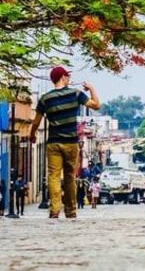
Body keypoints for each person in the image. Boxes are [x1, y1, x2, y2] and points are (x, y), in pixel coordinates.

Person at [28, 67, 101, 219]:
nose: (69, 78)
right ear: (62, 77)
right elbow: (96, 105)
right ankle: (71, 210)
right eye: (67, 76)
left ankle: (54, 209)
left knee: (53, 176)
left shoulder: (45, 99)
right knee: (69, 176)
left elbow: (36, 121)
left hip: (54, 143)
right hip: (71, 143)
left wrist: (32, 134)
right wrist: (91, 88)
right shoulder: (75, 94)